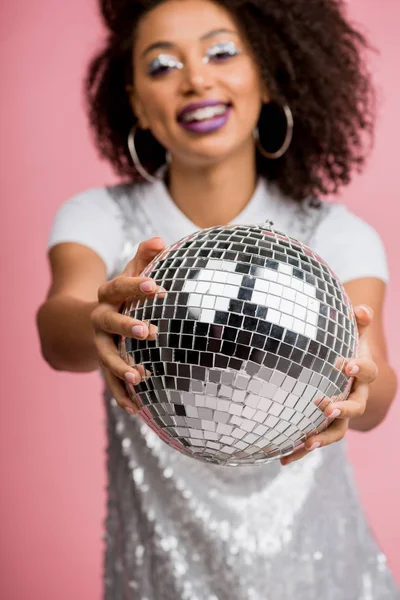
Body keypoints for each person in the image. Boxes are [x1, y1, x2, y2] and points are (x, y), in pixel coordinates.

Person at [36, 0, 399, 598]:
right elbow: (59, 327)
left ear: (267, 72)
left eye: (221, 52)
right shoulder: (99, 217)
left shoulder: (335, 235)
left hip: (321, 574)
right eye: (162, 65)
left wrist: (361, 381)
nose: (196, 78)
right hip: (159, 574)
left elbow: (378, 389)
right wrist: (100, 319)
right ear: (135, 103)